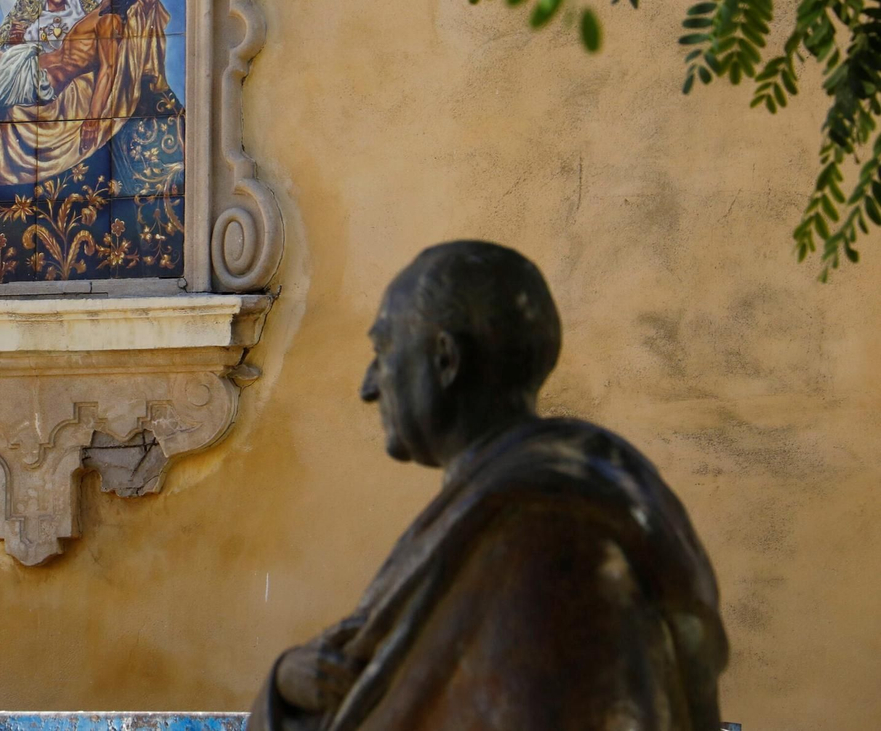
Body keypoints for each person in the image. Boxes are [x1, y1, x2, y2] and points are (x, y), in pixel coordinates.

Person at [251, 242, 729, 731]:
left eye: (383, 352)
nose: (369, 386)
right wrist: (285, 684)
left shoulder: (546, 535)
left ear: (445, 360)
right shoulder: (501, 511)